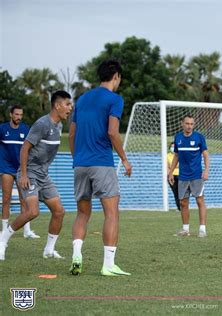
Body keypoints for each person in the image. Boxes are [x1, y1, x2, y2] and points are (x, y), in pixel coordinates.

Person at [69, 59, 132, 276]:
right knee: (112, 213)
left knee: (82, 214)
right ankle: (108, 265)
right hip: (102, 163)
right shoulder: (115, 99)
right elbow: (112, 132)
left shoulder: (83, 99)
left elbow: (73, 134)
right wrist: (124, 159)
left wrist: (76, 158)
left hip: (80, 164)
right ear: (116, 76)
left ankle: (77, 255)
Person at [0, 91, 73, 261]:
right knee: (32, 211)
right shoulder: (42, 124)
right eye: (67, 104)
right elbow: (25, 148)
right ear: (57, 105)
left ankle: (49, 250)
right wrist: (24, 175)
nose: (70, 108)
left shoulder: (59, 126)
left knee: (59, 211)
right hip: (30, 173)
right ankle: (2, 240)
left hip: (43, 175)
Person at [0, 105, 40, 239]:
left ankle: (27, 231)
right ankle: (4, 230)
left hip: (21, 170)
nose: (19, 117)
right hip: (6, 168)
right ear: (11, 115)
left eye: (21, 115)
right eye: (16, 114)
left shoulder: (26, 129)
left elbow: (30, 148)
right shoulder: (2, 129)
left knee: (25, 200)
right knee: (6, 199)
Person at [168, 115, 209, 237]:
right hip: (182, 176)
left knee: (200, 201)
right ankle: (185, 230)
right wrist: (171, 172)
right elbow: (176, 156)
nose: (189, 126)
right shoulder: (178, 138)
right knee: (183, 203)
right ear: (182, 124)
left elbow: (206, 155)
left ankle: (202, 230)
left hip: (196, 176)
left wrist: (206, 170)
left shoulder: (199, 137)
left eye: (191, 124)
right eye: (187, 123)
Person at [167, 142, 181, 211]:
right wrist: (170, 174)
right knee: (175, 192)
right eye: (171, 147)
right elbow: (167, 166)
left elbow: (180, 165)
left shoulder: (180, 155)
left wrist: (172, 166)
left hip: (180, 175)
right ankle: (179, 207)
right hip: (172, 175)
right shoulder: (167, 156)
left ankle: (183, 206)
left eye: (174, 147)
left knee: (181, 192)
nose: (173, 148)